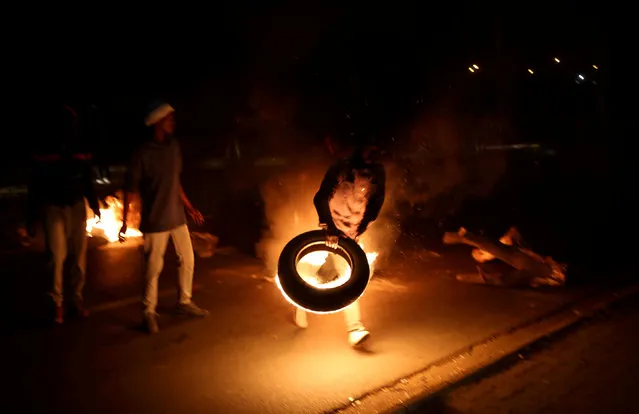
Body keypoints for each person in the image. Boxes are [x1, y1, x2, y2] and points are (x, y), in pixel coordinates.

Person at [120, 102, 208, 334]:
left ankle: (184, 303)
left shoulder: (174, 147)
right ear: (158, 123)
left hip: (176, 216)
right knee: (153, 267)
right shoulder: (143, 153)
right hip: (155, 219)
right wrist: (124, 221)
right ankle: (148, 312)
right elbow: (130, 187)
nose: (173, 122)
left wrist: (189, 207)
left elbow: (175, 182)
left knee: (187, 259)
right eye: (169, 119)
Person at [295, 143, 386, 347]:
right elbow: (320, 197)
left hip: (351, 234)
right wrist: (329, 227)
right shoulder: (342, 168)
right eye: (368, 147)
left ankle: (355, 329)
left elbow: (376, 204)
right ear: (359, 148)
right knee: (316, 270)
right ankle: (300, 303)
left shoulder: (378, 173)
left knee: (348, 277)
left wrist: (360, 228)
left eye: (377, 148)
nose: (373, 151)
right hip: (330, 229)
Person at [27, 103, 101, 324]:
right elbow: (36, 186)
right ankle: (56, 303)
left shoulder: (80, 148)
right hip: (54, 207)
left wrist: (94, 204)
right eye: (68, 123)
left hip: (77, 206)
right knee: (56, 257)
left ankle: (75, 300)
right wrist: (31, 216)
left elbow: (87, 180)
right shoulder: (45, 150)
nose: (72, 127)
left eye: (73, 123)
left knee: (79, 257)